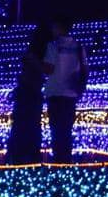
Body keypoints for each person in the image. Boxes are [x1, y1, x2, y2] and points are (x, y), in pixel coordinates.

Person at [41, 17, 87, 164]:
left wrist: (35, 63)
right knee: (66, 129)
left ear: (60, 28)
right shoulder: (78, 46)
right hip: (71, 93)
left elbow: (49, 69)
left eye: (55, 27)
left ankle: (58, 160)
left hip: (55, 92)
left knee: (56, 129)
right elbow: (85, 69)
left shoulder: (53, 46)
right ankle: (66, 160)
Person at [6, 24, 49, 164]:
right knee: (29, 128)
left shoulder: (32, 56)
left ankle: (20, 157)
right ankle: (27, 157)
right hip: (31, 96)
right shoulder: (38, 57)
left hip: (27, 96)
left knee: (23, 128)